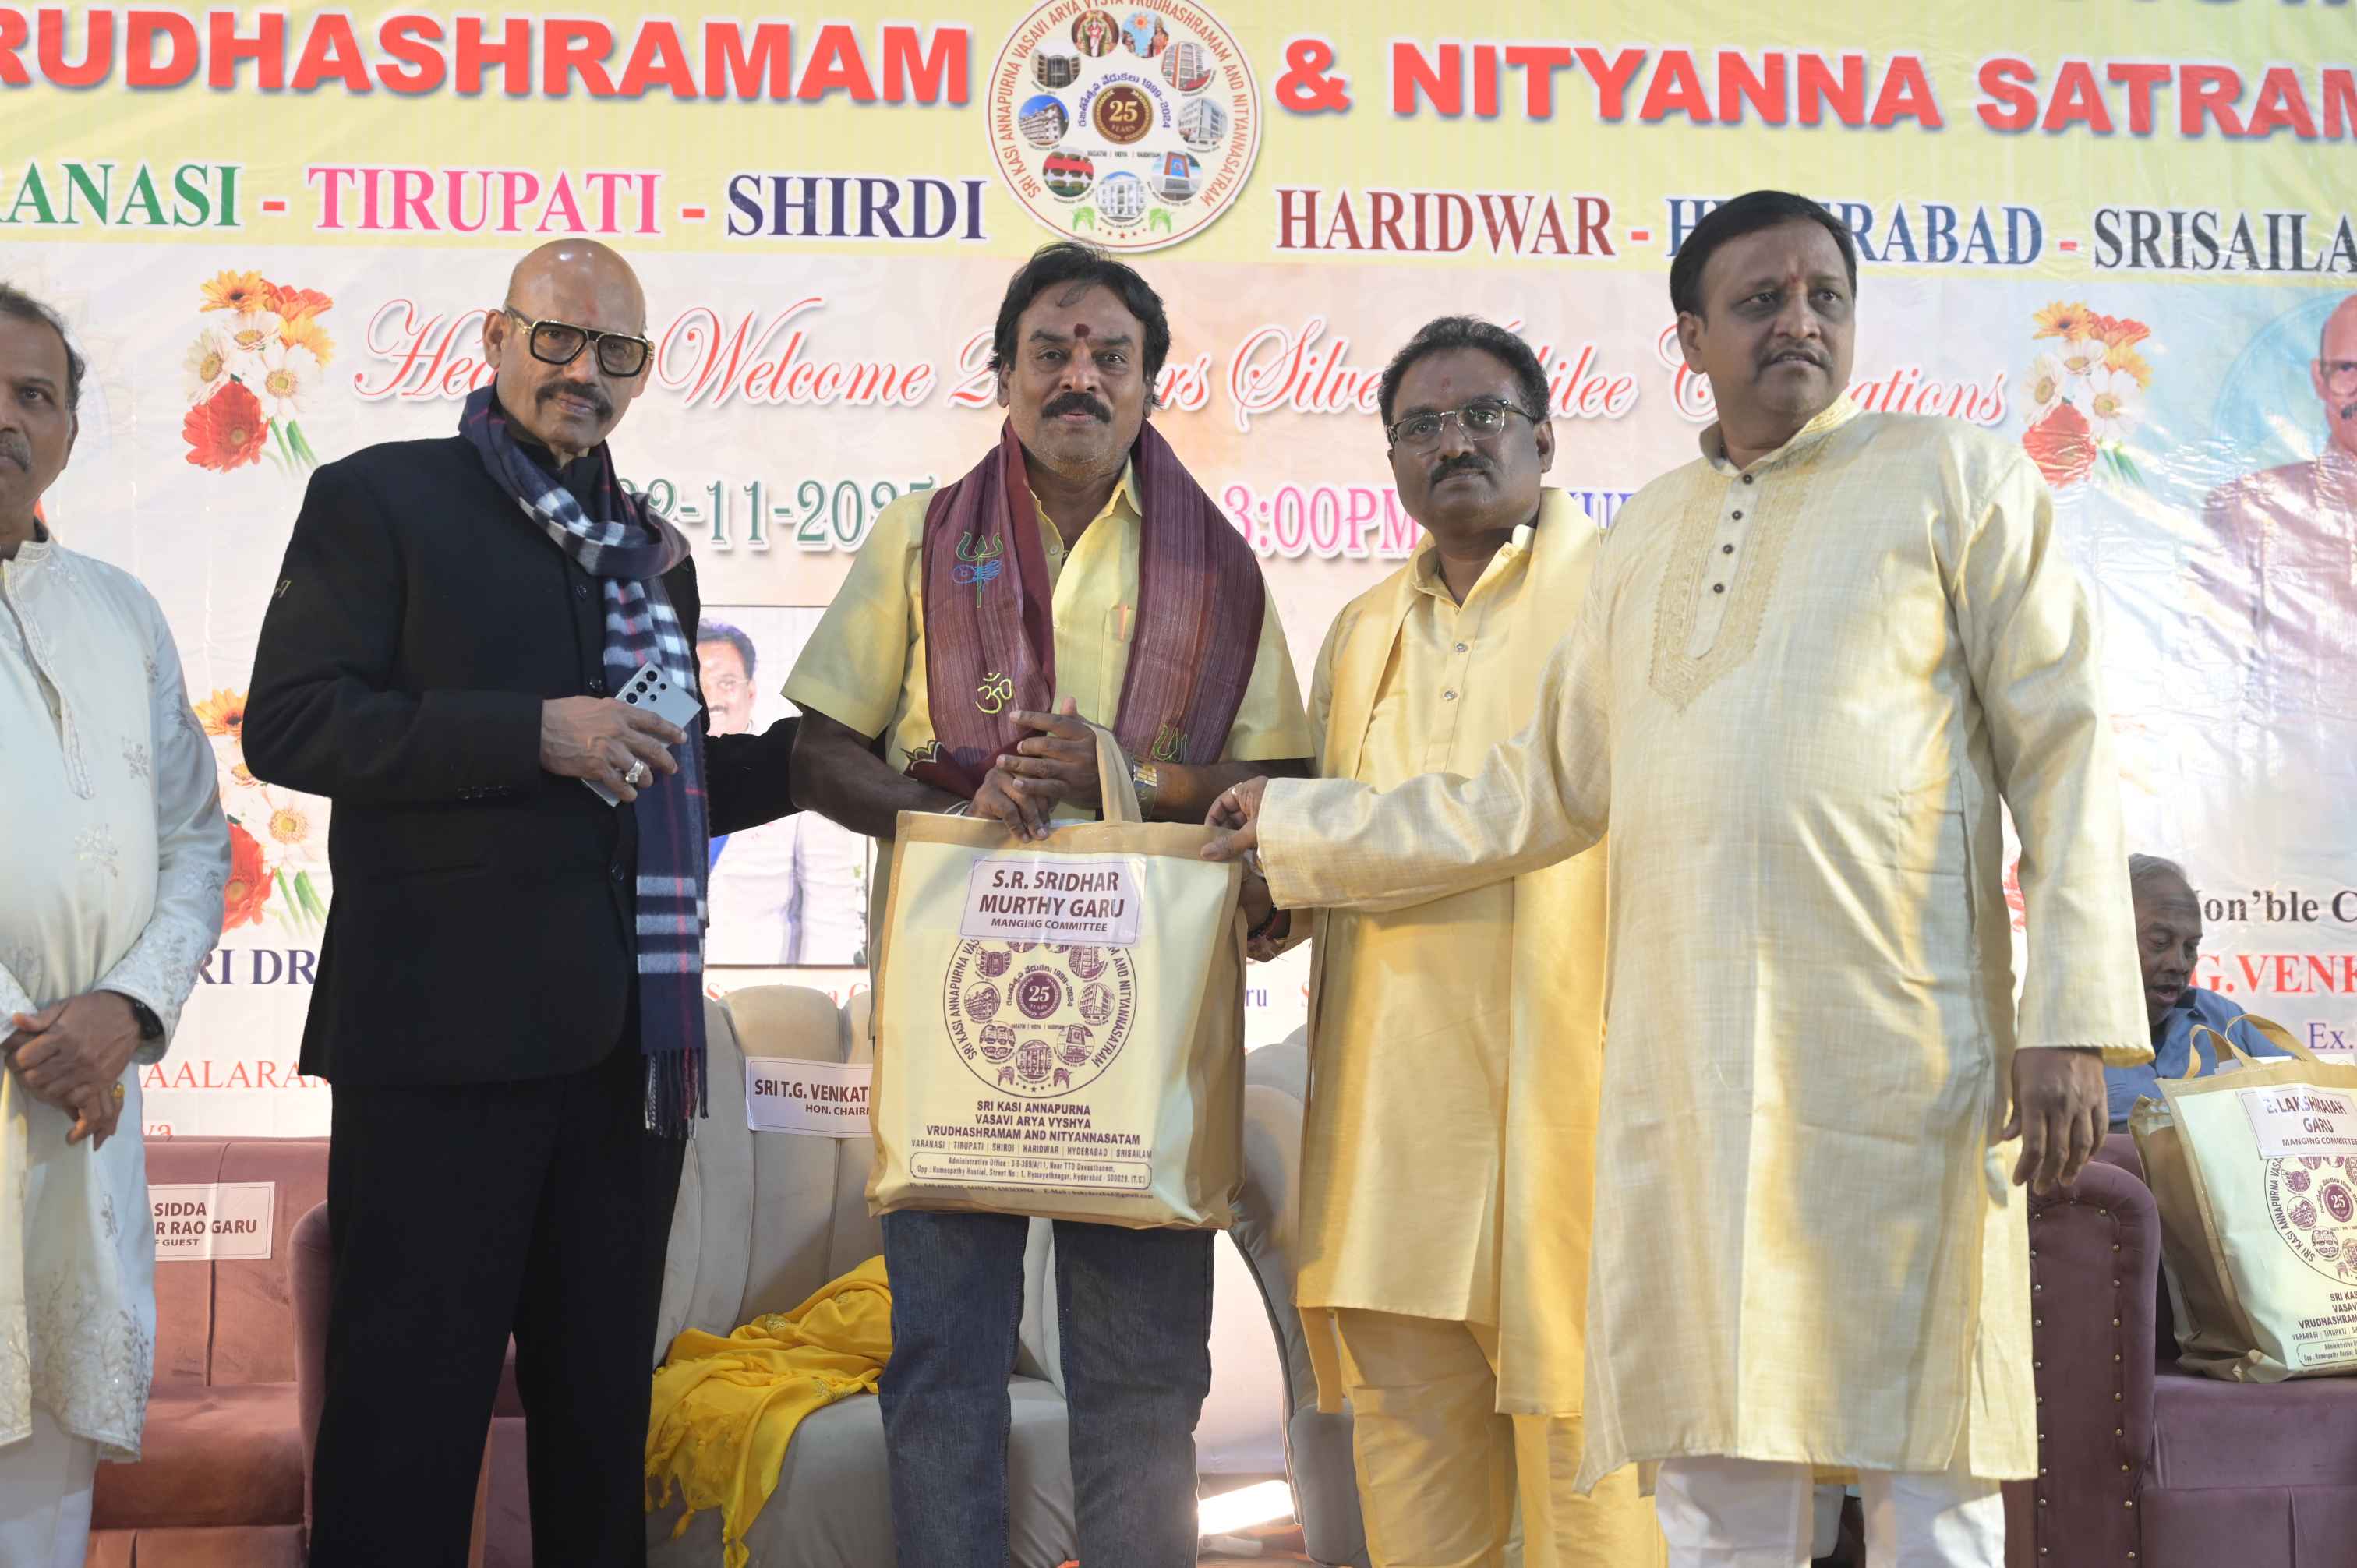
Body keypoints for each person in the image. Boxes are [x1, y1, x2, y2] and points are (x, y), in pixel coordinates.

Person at [1200, 191, 2149, 1568]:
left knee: (1925, 1466)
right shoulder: (1644, 535)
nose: (1798, 322)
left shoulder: (1955, 479)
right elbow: (1535, 791)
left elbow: (2061, 747)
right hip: (1684, 1071)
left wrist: (2066, 1017)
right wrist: (1299, 833)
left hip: (1900, 1055)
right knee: (1708, 1466)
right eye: (1759, 300)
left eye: (1824, 296)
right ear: (1690, 340)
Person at [243, 239, 799, 1568]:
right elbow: (292, 723)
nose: (582, 372)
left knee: (600, 1426)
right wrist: (529, 733)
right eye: (557, 338)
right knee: (404, 1425)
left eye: (616, 352)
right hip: (437, 1049)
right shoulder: (382, 499)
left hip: (624, 1062)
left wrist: (829, 764)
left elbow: (658, 778)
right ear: (495, 339)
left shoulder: (652, 555)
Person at [785, 241, 1313, 1568]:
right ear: (1004, 375)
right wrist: (952, 818)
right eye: (1051, 351)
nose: (1079, 376)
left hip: (1146, 1027)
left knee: (1142, 1376)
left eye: (1109, 355)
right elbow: (819, 749)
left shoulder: (1219, 569)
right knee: (943, 1363)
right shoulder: (920, 536)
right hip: (953, 1012)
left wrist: (1122, 775)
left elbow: (1282, 782)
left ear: (1148, 383)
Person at [1267, 316, 1657, 1567]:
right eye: (1421, 427)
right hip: (1393, 1150)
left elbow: (1518, 814)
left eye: (1484, 415)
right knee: (1419, 1512)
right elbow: (1324, 843)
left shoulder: (1629, 593)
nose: (1454, 444)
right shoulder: (1359, 629)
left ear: (1545, 438)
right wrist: (1260, 896)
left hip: (1576, 1126)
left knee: (1598, 1503)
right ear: (1391, 460)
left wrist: (1290, 839)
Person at [0, 284, 230, 1566]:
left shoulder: (121, 609)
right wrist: (30, 1034)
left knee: (43, 1505)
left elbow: (197, 839)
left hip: (84, 1123)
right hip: (42, 1074)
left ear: (71, 434)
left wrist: (124, 1012)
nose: (6, 417)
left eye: (33, 395)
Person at [2197, 293, 2357, 720]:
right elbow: (2207, 679)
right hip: (2297, 756)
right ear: (2320, 379)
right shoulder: (2249, 510)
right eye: (2349, 369)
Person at [699, 616, 868, 966]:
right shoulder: (659, 773)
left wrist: (813, 988)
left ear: (750, 692)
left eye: (726, 683)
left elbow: (830, 912)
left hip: (764, 987)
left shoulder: (798, 767)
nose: (713, 698)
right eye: (700, 684)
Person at [2104, 854, 2287, 1130]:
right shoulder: (2062, 1037)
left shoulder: (2225, 1020)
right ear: (2109, 936)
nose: (2179, 964)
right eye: (2160, 942)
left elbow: (2303, 1098)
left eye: (2190, 947)